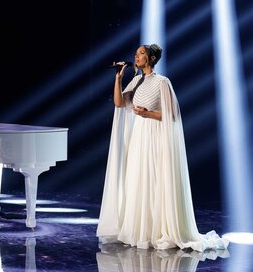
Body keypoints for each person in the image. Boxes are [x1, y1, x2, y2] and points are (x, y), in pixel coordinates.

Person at [97, 44, 229, 252]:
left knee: (154, 179)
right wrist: (118, 78)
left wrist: (148, 114)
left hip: (154, 136)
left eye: (141, 53)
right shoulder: (136, 81)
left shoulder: (162, 82)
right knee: (138, 180)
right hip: (138, 137)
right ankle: (140, 230)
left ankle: (158, 230)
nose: (136, 56)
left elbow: (173, 115)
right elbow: (119, 103)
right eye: (136, 53)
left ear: (150, 58)